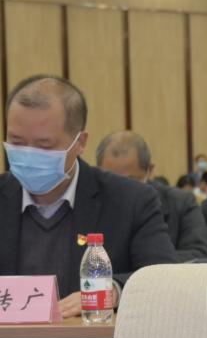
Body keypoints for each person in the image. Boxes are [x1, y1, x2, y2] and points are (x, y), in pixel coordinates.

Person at [0, 75, 177, 317]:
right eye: (17, 142)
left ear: (80, 142)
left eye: (44, 145)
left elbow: (165, 277)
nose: (29, 154)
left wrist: (112, 291)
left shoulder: (130, 200)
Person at [95, 130, 207, 261]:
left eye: (129, 181)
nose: (120, 189)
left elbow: (199, 252)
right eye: (111, 179)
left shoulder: (180, 203)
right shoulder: (88, 203)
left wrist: (149, 263)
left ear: (149, 171)